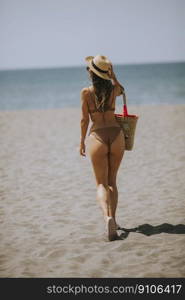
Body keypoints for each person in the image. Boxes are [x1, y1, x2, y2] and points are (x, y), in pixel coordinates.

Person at [79, 55, 125, 241]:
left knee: (100, 184)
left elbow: (84, 120)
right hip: (116, 135)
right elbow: (123, 90)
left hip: (97, 136)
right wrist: (113, 76)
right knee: (112, 181)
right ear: (106, 72)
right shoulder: (114, 89)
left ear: (92, 72)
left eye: (89, 68)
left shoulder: (86, 92)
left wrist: (81, 141)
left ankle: (106, 217)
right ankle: (113, 218)